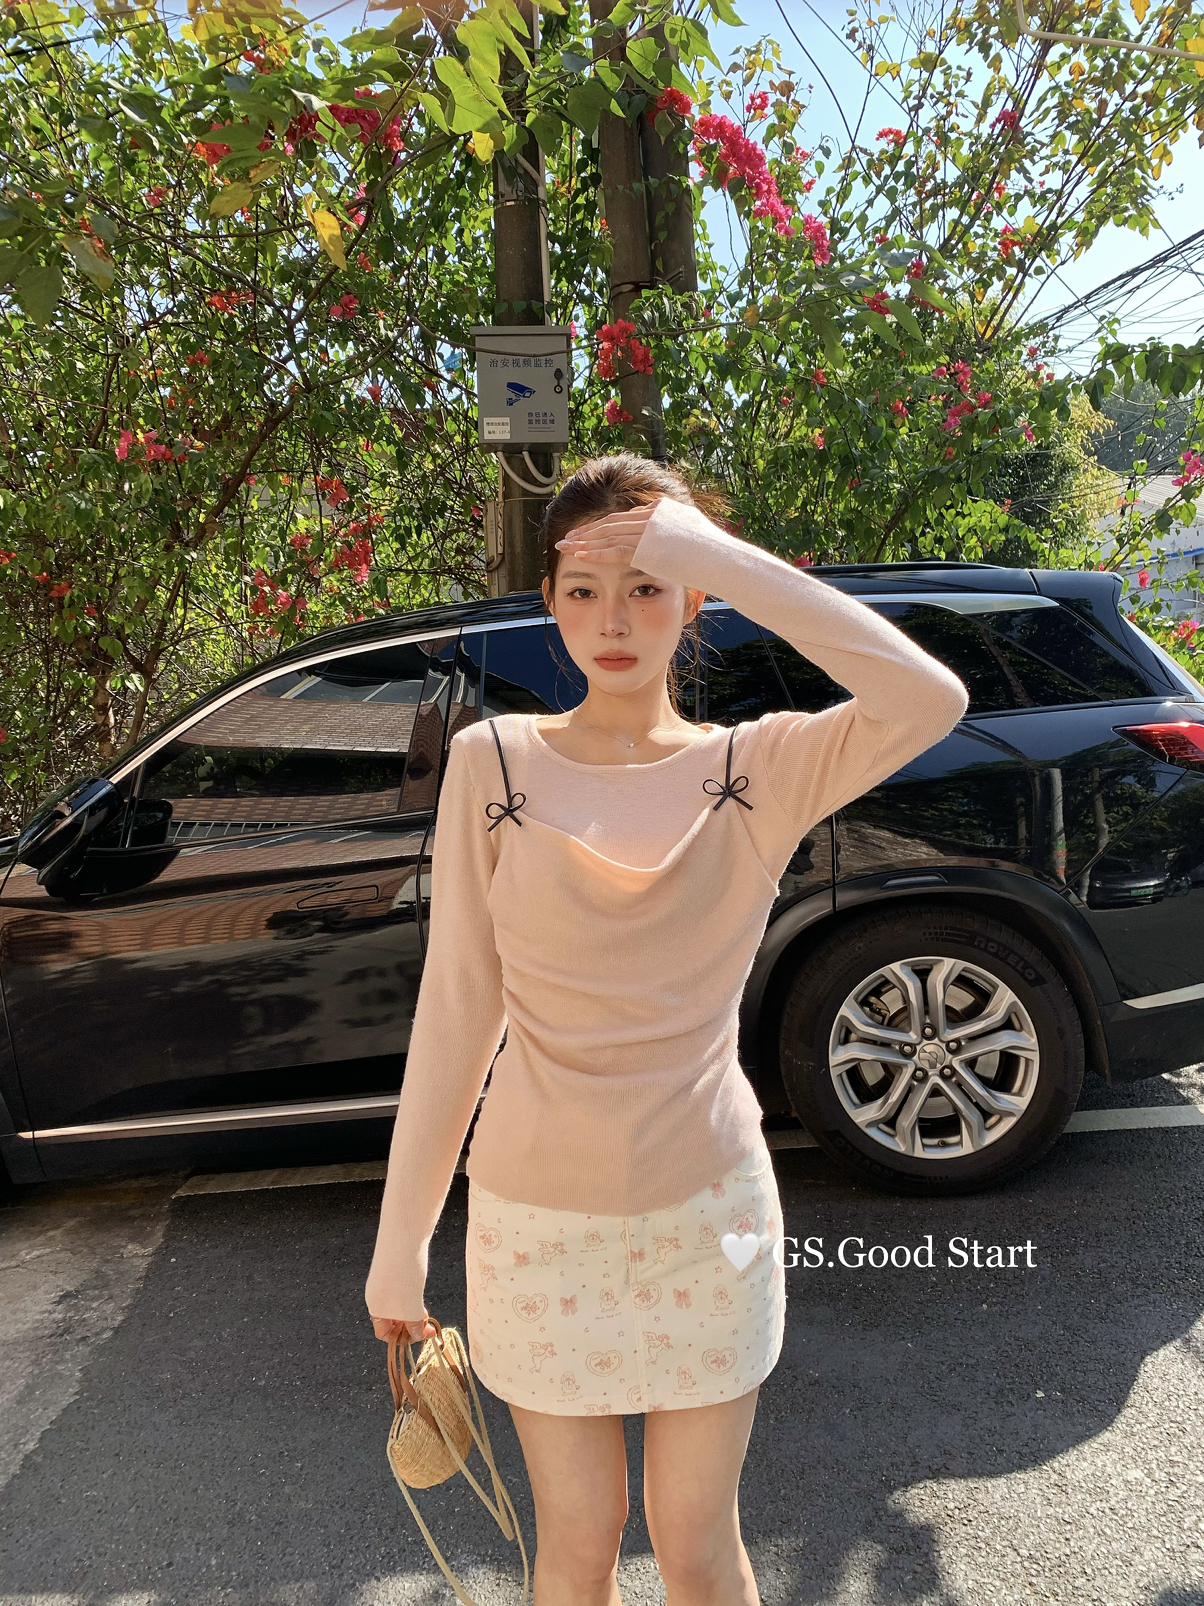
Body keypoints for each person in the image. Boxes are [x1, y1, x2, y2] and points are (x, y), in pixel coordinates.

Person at [366, 451, 970, 1605]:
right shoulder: (492, 761)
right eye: (584, 588)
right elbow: (457, 1010)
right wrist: (402, 1241)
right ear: (550, 602)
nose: (614, 618)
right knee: (577, 1541)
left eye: (647, 586)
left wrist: (714, 552)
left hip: (711, 1215)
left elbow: (926, 699)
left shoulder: (757, 767)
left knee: (696, 1542)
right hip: (532, 1226)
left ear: (694, 600)